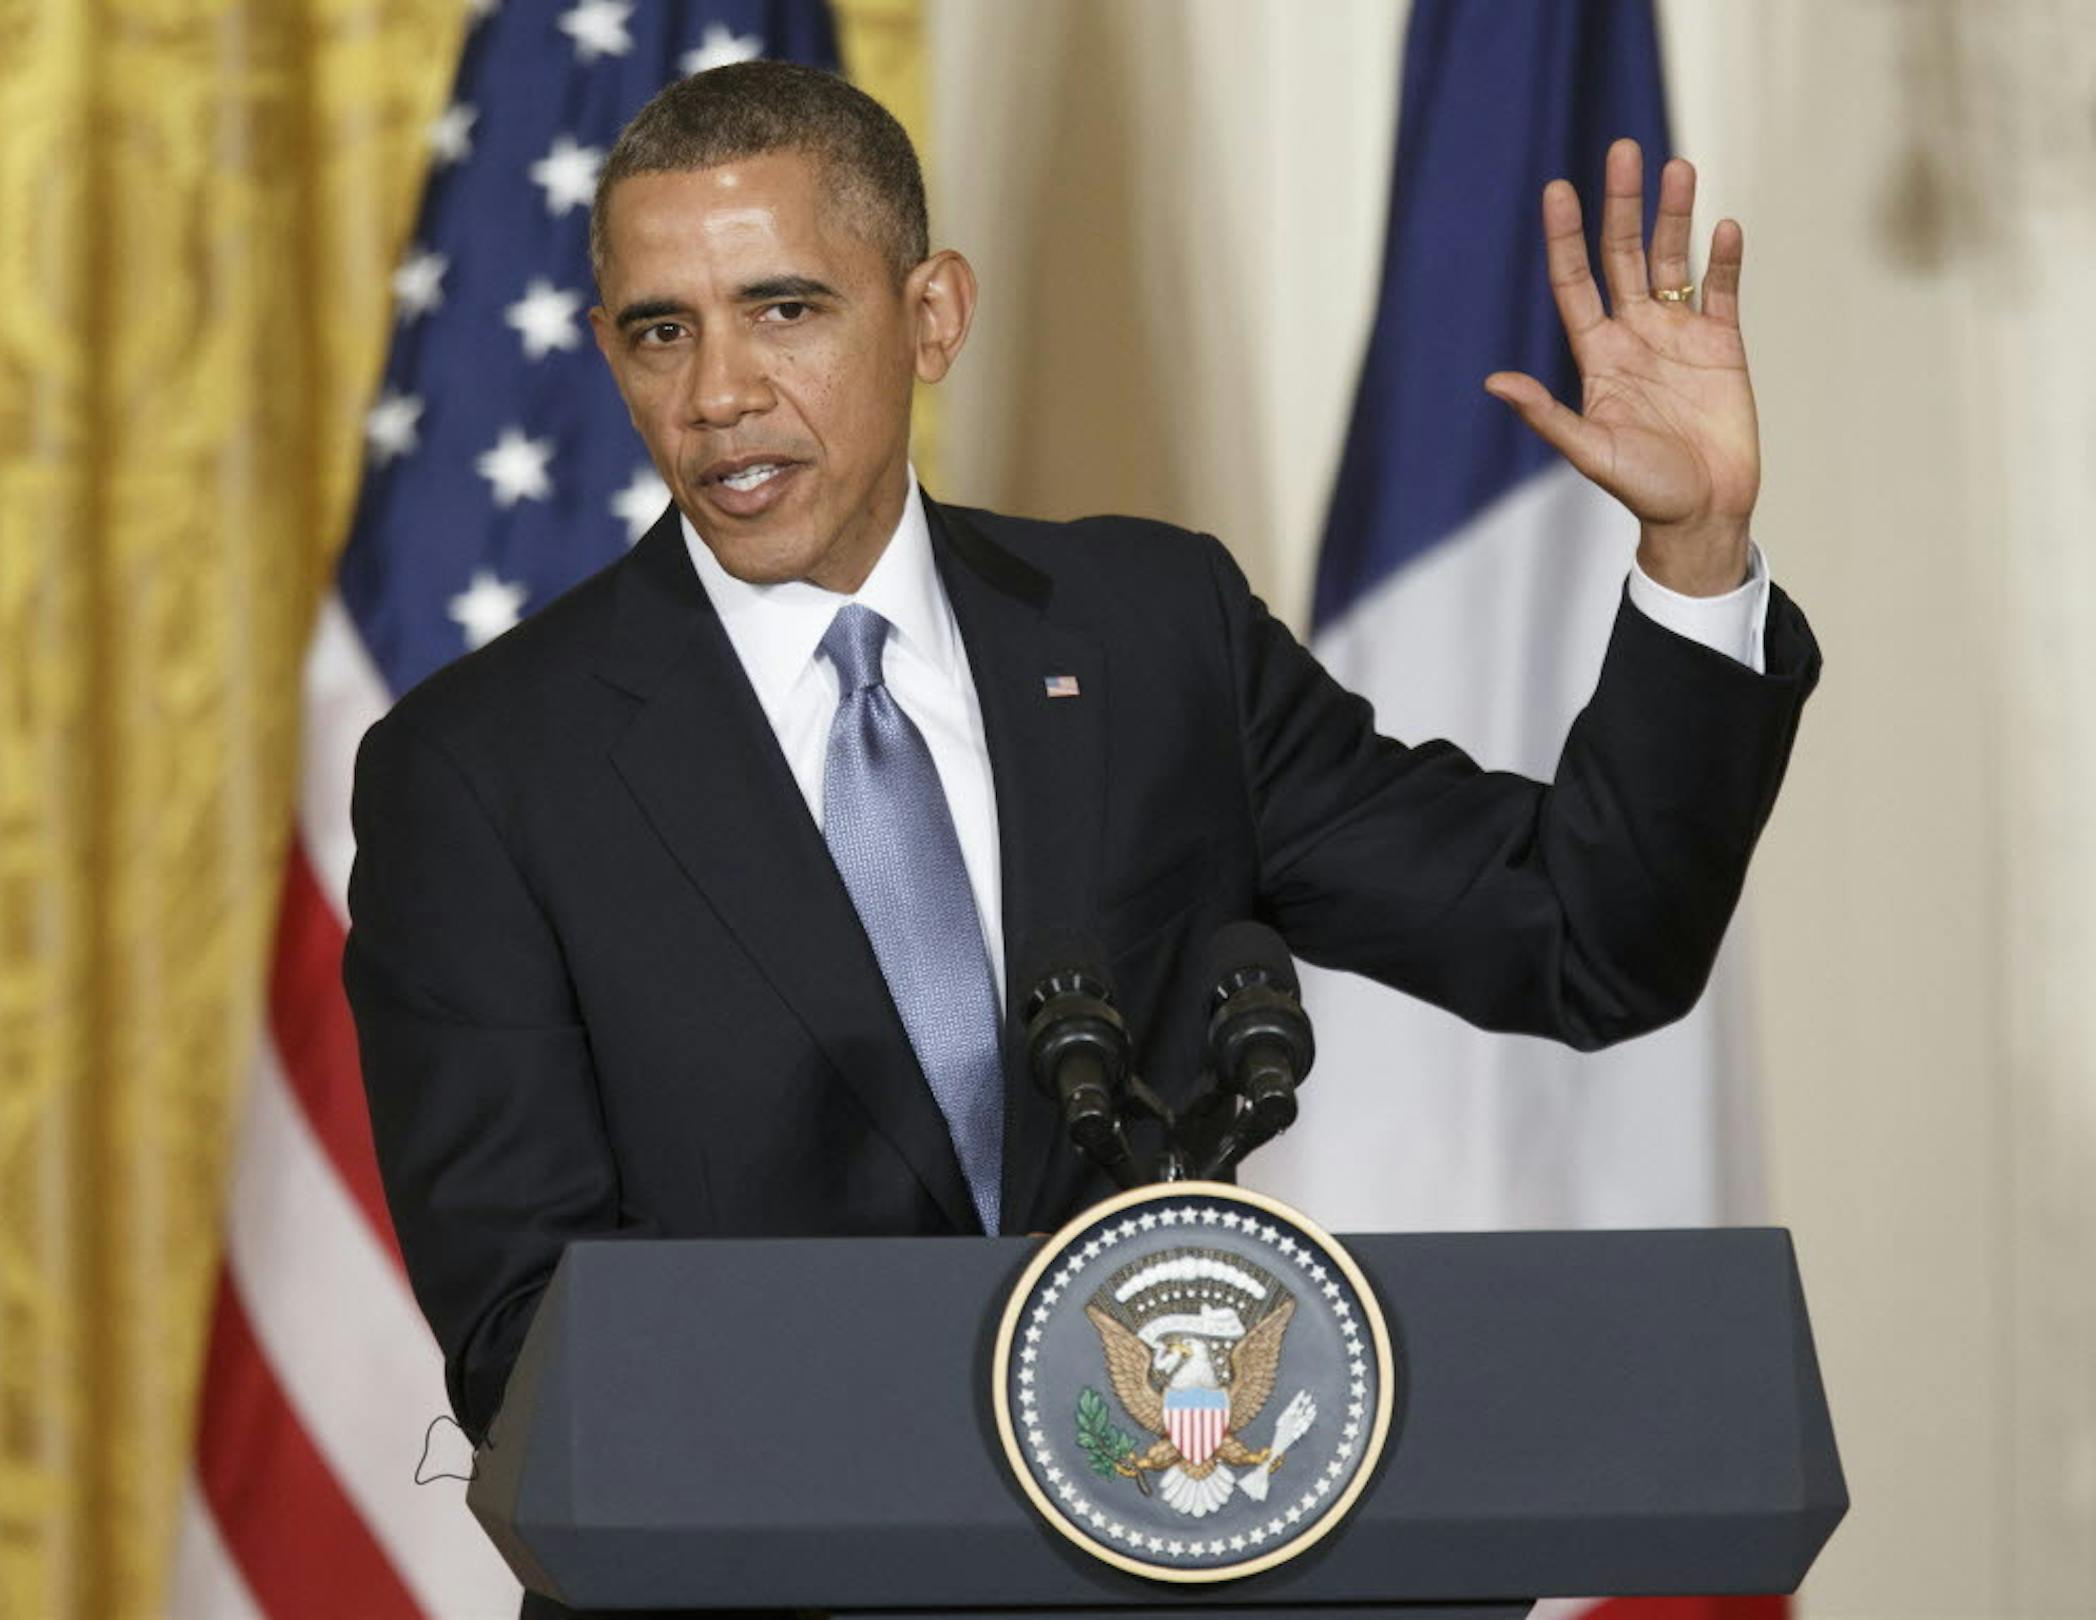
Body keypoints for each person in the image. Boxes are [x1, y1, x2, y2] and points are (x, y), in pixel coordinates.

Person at [345, 60, 1819, 1499]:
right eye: (662, 334)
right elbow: (522, 1339)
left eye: (783, 310)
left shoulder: (1149, 635)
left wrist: (1694, 558)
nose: (719, 392)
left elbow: (1583, 938)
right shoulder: (481, 771)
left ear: (934, 317)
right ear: (609, 353)